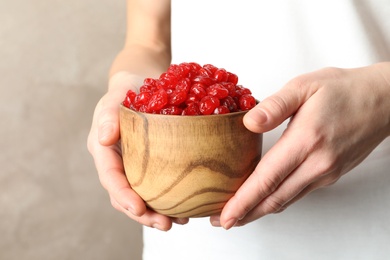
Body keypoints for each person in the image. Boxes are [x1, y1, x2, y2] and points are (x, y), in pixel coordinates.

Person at [88, 0, 390, 258]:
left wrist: (383, 94)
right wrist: (127, 87)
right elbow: (147, 42)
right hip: (193, 227)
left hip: (371, 219)